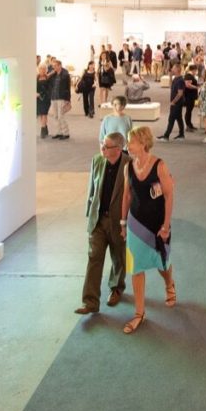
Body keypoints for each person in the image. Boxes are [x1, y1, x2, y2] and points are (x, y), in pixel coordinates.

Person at [120, 126, 176, 334]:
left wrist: (166, 226)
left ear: (143, 143)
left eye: (131, 142)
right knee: (136, 267)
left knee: (162, 263)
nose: (128, 145)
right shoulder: (128, 167)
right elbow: (127, 195)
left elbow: (169, 195)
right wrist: (123, 223)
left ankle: (169, 284)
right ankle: (139, 313)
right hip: (135, 224)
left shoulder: (160, 166)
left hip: (157, 224)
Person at [76, 132, 130, 315]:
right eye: (102, 144)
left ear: (118, 149)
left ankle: (116, 288)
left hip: (119, 222)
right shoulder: (97, 160)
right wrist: (89, 214)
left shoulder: (129, 164)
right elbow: (91, 189)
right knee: (94, 258)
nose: (102, 148)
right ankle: (90, 302)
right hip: (98, 220)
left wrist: (128, 223)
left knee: (119, 258)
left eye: (106, 146)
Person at [158, 64, 186, 141]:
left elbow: (180, 93)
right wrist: (170, 77)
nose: (172, 69)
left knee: (171, 119)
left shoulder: (180, 80)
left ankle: (166, 136)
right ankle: (181, 134)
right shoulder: (175, 78)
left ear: (177, 69)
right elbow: (170, 86)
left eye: (173, 68)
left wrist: (173, 101)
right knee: (179, 118)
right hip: (175, 102)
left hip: (177, 103)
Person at [48, 59, 71, 140]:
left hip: (61, 97)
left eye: (55, 66)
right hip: (53, 97)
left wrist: (68, 99)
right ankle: (59, 132)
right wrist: (51, 73)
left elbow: (68, 87)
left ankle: (66, 133)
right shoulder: (53, 74)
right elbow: (47, 79)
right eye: (53, 66)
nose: (53, 67)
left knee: (61, 116)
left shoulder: (65, 74)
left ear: (59, 65)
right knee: (55, 116)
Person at [183, 64, 200, 132]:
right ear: (193, 70)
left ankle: (190, 124)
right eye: (196, 70)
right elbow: (187, 85)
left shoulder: (191, 76)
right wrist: (196, 87)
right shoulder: (188, 76)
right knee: (188, 111)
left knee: (190, 111)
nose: (196, 72)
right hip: (189, 96)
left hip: (192, 96)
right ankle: (188, 125)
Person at [37, 65, 51, 139]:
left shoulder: (48, 78)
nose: (42, 70)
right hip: (38, 99)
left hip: (46, 98)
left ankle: (42, 130)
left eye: (43, 69)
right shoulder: (36, 78)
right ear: (39, 70)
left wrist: (41, 93)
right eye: (41, 69)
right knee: (40, 114)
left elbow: (49, 89)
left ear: (46, 70)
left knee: (44, 114)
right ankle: (45, 127)